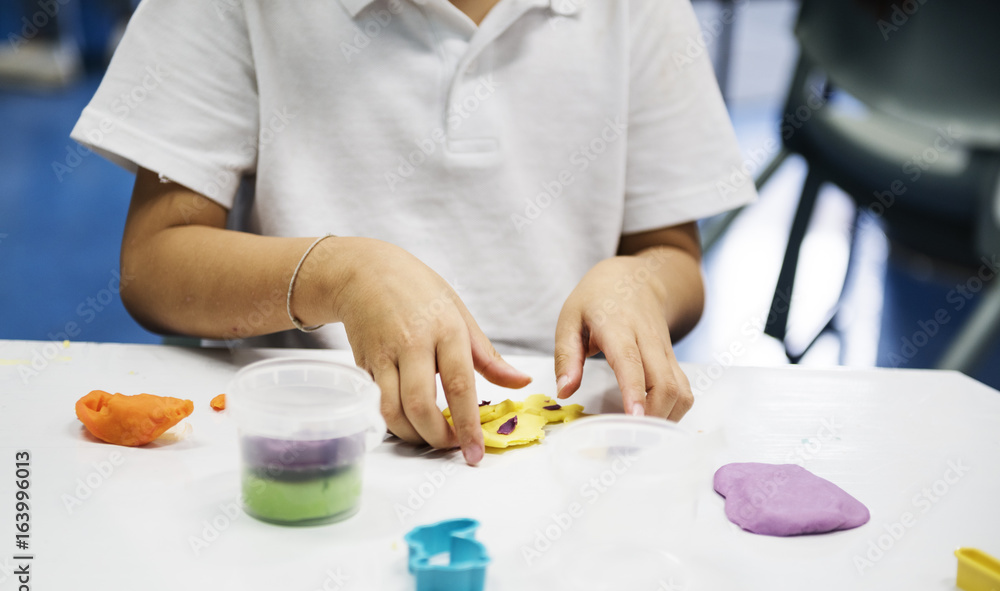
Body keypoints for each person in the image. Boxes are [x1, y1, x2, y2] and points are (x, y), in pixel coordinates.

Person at [70, 0, 757, 465]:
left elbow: (673, 256)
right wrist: (336, 274)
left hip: (569, 455)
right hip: (309, 441)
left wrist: (638, 283)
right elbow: (155, 263)